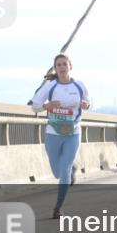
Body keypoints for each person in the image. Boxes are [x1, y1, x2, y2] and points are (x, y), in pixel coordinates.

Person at [30, 54, 91, 219]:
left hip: (73, 133)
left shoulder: (79, 85)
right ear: (55, 69)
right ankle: (72, 170)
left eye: (65, 64)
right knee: (57, 172)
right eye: (58, 65)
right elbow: (34, 107)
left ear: (70, 66)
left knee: (63, 170)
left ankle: (58, 208)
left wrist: (86, 104)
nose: (62, 67)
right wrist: (46, 106)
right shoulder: (51, 86)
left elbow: (87, 101)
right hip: (53, 133)